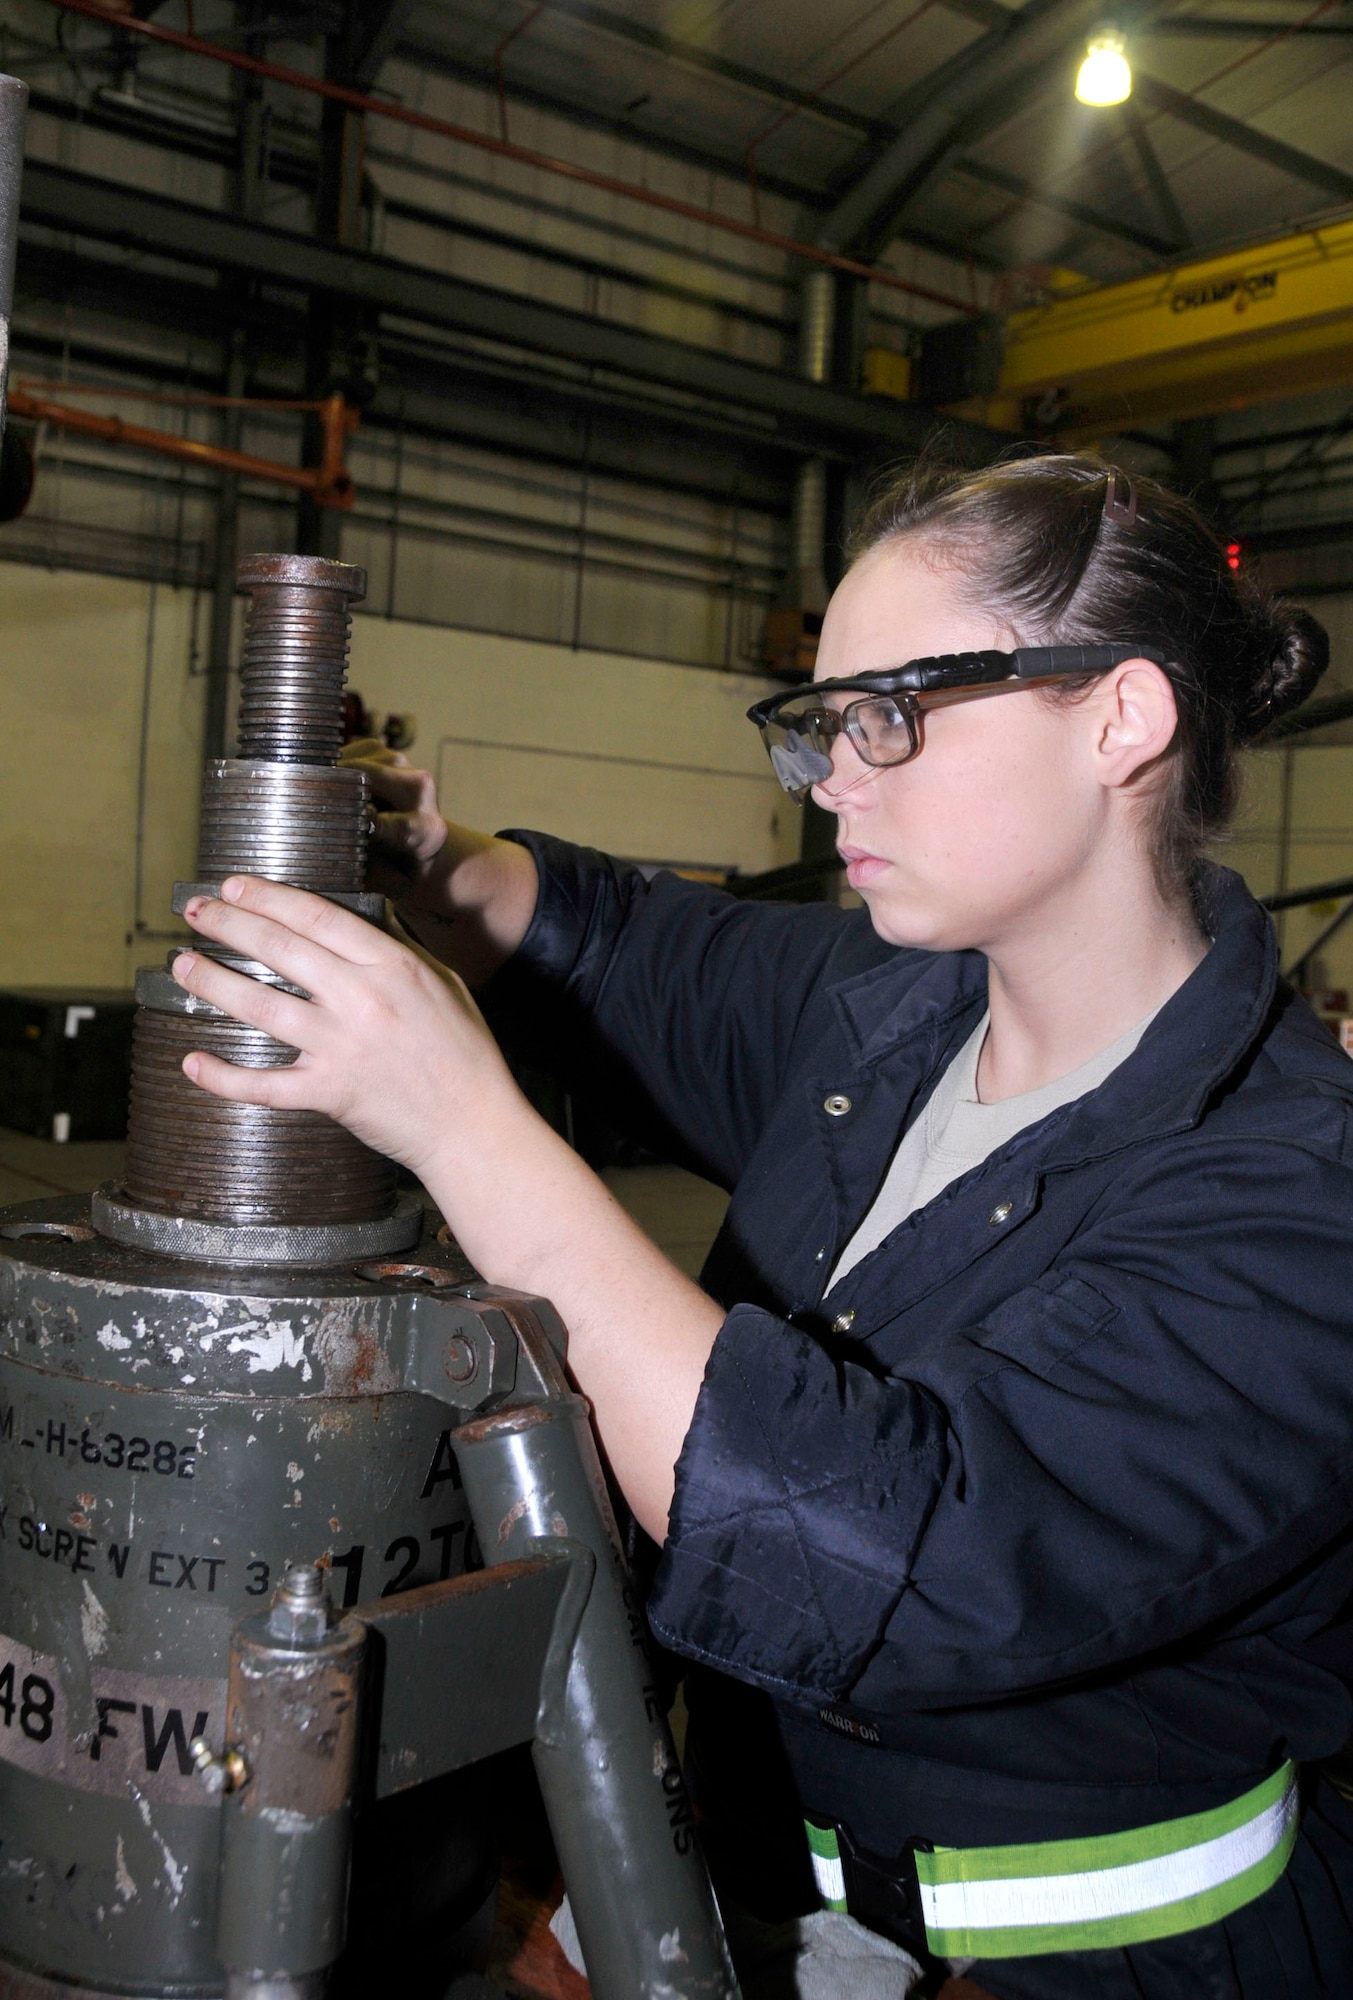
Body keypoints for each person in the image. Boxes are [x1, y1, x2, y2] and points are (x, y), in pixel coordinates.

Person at [168, 453, 1353, 1999]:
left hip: (1090, 1957)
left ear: (1120, 717)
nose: (833, 778)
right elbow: (633, 946)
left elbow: (893, 1562)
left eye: (891, 715)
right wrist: (439, 867)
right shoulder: (887, 1007)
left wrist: (461, 1123)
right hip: (720, 1869)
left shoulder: (1293, 1192)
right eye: (821, 724)